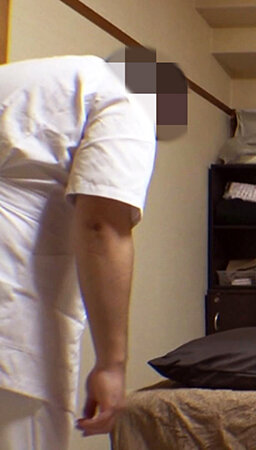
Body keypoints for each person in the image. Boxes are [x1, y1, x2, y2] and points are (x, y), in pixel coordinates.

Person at [0, 55, 156, 448]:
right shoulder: (127, 99)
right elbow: (102, 226)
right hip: (11, 323)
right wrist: (112, 365)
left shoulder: (34, 82)